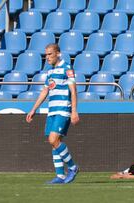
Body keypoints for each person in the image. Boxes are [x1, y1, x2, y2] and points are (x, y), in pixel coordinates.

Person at [26, 44, 79, 184]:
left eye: (50, 54)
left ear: (58, 54)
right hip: (52, 110)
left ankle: (73, 167)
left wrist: (74, 111)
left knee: (53, 139)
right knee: (55, 143)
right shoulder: (49, 72)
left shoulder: (67, 68)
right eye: (46, 55)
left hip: (63, 109)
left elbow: (73, 90)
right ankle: (60, 176)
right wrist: (33, 109)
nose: (47, 57)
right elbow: (45, 91)